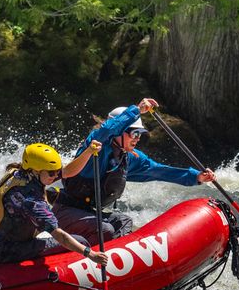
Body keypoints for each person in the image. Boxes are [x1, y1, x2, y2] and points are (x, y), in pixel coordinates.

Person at [51, 97, 214, 245]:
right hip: (65, 212)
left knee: (124, 221)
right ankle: (86, 258)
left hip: (87, 213)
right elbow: (107, 131)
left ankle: (119, 262)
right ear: (119, 131)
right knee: (105, 229)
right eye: (134, 133)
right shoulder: (95, 148)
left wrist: (196, 176)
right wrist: (136, 110)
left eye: (141, 134)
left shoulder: (128, 158)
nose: (137, 138)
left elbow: (157, 171)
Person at [0, 140, 106, 266]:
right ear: (36, 171)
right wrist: (91, 254)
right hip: (6, 250)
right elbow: (60, 236)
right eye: (52, 173)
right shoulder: (31, 200)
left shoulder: (21, 173)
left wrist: (89, 151)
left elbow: (67, 172)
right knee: (81, 242)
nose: (56, 175)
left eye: (57, 171)